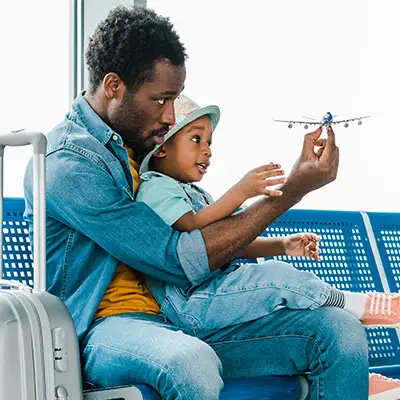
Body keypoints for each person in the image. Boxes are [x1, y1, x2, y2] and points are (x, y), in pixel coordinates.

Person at [22, 5, 400, 400]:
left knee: (338, 331)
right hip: (103, 331)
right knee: (191, 362)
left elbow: (200, 233)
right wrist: (292, 191)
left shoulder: (140, 147)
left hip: (178, 316)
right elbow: (174, 259)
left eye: (175, 99)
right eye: (160, 100)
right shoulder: (68, 164)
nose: (171, 117)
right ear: (114, 85)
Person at [135, 93, 400, 337]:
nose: (207, 150)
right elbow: (190, 227)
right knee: (277, 277)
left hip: (215, 295)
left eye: (209, 141)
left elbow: (228, 245)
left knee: (299, 315)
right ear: (161, 148)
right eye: (196, 139)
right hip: (191, 302)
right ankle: (353, 303)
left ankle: (360, 377)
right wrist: (241, 191)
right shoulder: (155, 185)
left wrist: (281, 245)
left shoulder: (196, 194)